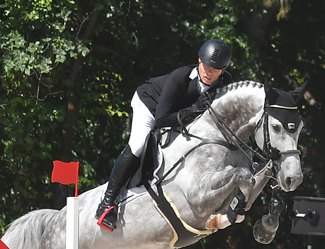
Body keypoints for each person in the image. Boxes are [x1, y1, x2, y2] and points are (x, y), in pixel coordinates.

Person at [96, 39, 232, 231]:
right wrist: (193, 110)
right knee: (138, 146)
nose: (209, 73)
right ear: (199, 62)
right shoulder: (180, 77)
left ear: (223, 71)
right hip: (150, 106)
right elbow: (161, 120)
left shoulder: (227, 85)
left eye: (215, 69)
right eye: (206, 66)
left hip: (177, 116)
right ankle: (107, 203)